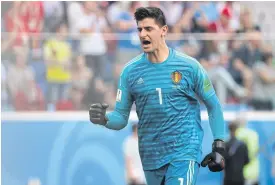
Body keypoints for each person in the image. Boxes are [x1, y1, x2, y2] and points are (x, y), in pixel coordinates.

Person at [89, 7, 226, 185]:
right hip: (151, 155)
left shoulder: (189, 67)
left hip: (184, 151)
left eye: (148, 29)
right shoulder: (130, 72)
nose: (142, 34)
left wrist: (219, 146)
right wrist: (104, 119)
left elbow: (213, 105)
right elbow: (121, 118)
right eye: (139, 29)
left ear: (163, 31)